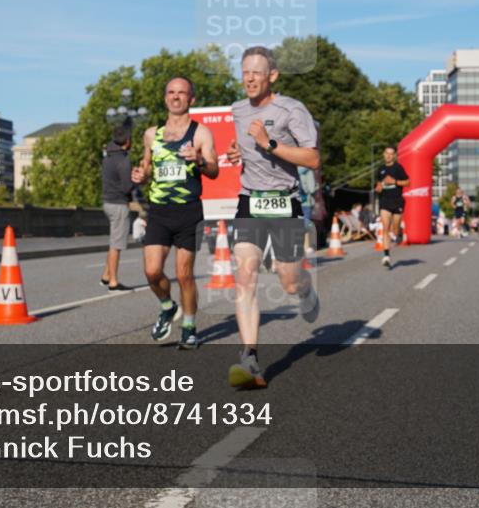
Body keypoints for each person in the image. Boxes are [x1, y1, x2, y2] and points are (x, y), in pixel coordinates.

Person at [225, 46, 321, 389]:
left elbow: (311, 159)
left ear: (272, 76)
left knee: (289, 281)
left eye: (256, 72)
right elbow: (244, 149)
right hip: (250, 200)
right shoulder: (236, 110)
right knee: (245, 274)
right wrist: (238, 152)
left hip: (284, 202)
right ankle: (249, 358)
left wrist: (269, 144)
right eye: (245, 72)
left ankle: (307, 289)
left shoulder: (291, 110)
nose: (249, 78)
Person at [131, 77, 219, 350]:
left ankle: (190, 326)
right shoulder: (151, 134)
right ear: (165, 97)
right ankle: (168, 307)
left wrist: (200, 160)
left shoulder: (200, 133)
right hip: (158, 211)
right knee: (152, 270)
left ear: (191, 99)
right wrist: (141, 175)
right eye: (171, 92)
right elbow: (147, 168)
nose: (176, 97)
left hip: (189, 212)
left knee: (184, 275)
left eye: (182, 93)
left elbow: (214, 170)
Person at [101, 124, 134, 291]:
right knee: (117, 244)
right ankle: (113, 281)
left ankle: (106, 275)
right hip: (119, 204)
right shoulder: (123, 160)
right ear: (127, 141)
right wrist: (136, 179)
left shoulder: (108, 157)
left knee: (113, 241)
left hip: (107, 202)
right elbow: (127, 187)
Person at [374, 145, 410, 268]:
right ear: (383, 154)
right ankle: (386, 256)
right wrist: (378, 188)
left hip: (397, 201)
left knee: (394, 229)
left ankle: (398, 233)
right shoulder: (380, 170)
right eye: (386, 153)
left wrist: (395, 182)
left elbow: (408, 182)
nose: (388, 155)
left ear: (394, 155)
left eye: (391, 153)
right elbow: (378, 185)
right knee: (385, 228)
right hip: (385, 201)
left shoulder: (398, 168)